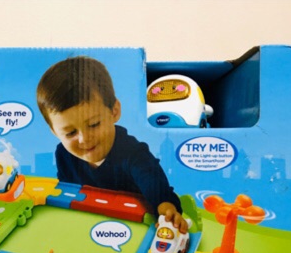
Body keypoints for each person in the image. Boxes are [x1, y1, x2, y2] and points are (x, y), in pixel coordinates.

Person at [36, 56, 188, 232]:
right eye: (70, 133)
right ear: (55, 132)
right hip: (88, 226)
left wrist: (167, 212)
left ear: (114, 112)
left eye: (94, 124)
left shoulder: (134, 153)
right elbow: (66, 191)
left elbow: (155, 186)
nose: (84, 139)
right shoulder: (63, 154)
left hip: (134, 227)